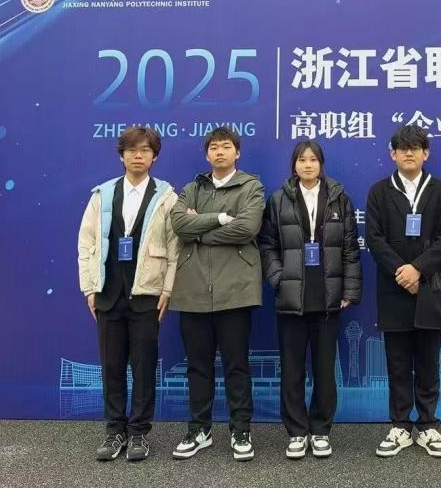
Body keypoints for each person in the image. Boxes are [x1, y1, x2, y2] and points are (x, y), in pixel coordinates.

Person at [77, 125, 179, 462]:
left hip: (147, 295)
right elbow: (86, 244)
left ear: (155, 157)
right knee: (112, 366)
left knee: (144, 366)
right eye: (132, 150)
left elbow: (176, 249)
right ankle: (114, 431)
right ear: (122, 156)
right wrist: (89, 288)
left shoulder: (166, 196)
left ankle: (139, 433)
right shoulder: (102, 194)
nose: (138, 156)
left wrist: (167, 289)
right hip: (108, 294)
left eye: (145, 150)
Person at [259, 139, 361, 459]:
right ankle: (295, 432)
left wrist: (349, 291)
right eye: (302, 160)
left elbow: (350, 248)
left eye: (313, 159)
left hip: (327, 296)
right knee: (292, 369)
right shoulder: (279, 199)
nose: (307, 165)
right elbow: (267, 245)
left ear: (321, 164)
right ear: (294, 165)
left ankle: (320, 430)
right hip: (292, 296)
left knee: (324, 369)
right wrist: (279, 279)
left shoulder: (339, 198)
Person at [169, 127, 265, 462]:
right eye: (213, 147)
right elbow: (179, 225)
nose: (219, 152)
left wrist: (201, 231)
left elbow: (247, 228)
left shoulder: (251, 186)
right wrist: (221, 218)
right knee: (198, 366)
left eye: (226, 147)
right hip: (193, 289)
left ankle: (241, 430)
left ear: (237, 152)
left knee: (237, 366)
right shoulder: (192, 188)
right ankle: (199, 429)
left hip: (235, 291)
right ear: (206, 154)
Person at [365, 124, 441, 458]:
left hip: (430, 287)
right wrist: (401, 271)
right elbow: (374, 239)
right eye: (402, 148)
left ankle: (428, 425)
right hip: (393, 288)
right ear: (392, 154)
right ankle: (401, 426)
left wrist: (418, 269)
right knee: (398, 363)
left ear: (425, 154)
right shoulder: (379, 192)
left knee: (429, 362)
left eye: (415, 148)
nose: (408, 153)